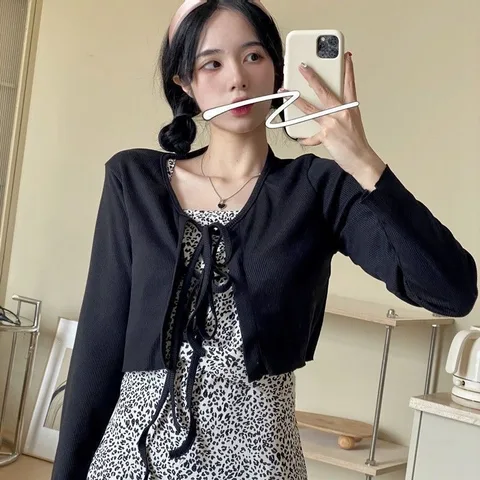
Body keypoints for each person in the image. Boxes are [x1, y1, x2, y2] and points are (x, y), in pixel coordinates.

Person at [51, 1, 478, 479]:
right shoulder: (134, 180)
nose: (238, 78)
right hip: (134, 462)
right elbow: (100, 344)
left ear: (277, 68)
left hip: (261, 463)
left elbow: (451, 291)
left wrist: (362, 159)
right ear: (185, 82)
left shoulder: (319, 188)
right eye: (212, 63)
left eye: (253, 56)